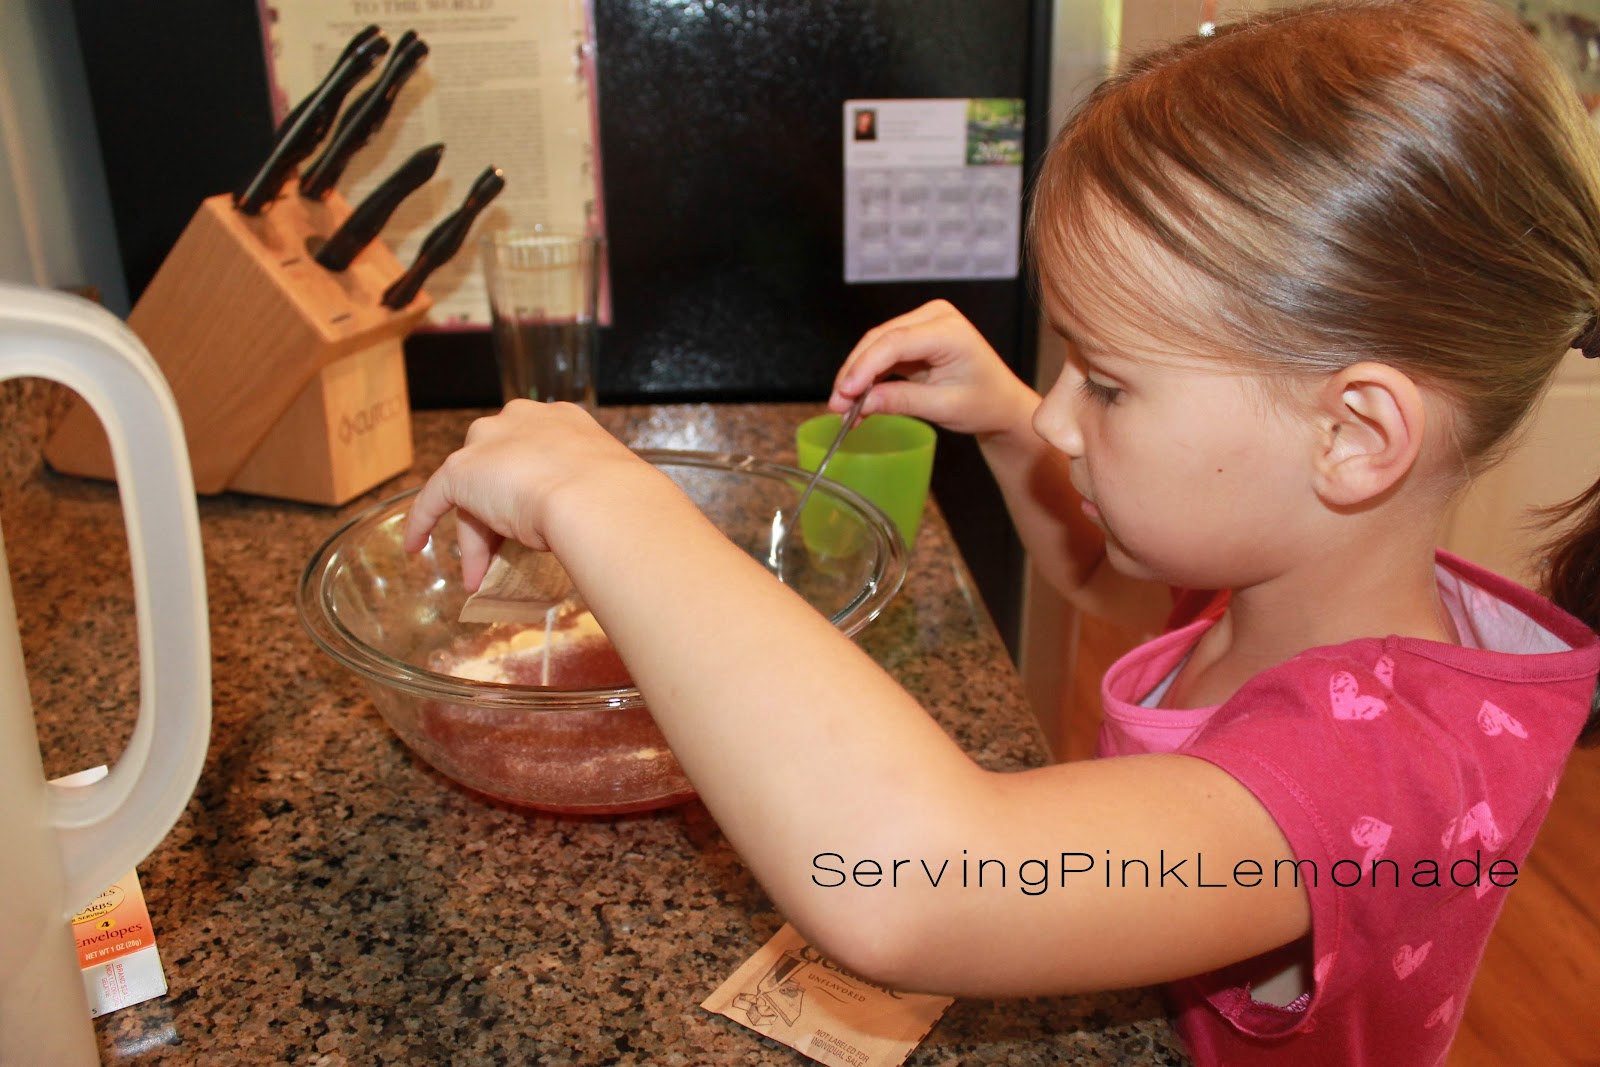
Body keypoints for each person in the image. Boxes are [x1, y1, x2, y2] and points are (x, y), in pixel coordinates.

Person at [402, 0, 1600, 1062]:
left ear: (1353, 435)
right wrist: (1014, 421)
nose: (1067, 420)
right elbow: (1104, 574)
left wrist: (605, 498)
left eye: (1111, 384)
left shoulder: (1380, 768)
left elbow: (914, 880)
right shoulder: (1302, 571)